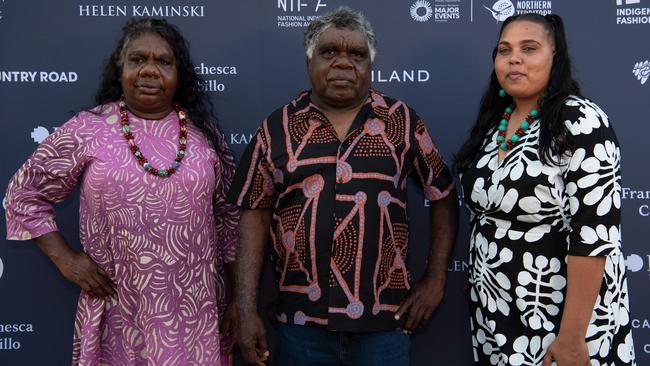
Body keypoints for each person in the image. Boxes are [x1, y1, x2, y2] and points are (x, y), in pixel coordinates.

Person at [227, 6, 458, 366]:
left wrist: (436, 279)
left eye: (357, 54)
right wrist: (246, 309)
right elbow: (254, 216)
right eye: (329, 51)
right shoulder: (277, 129)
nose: (343, 63)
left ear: (370, 64)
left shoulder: (401, 121)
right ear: (309, 61)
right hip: (300, 325)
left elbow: (443, 194)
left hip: (384, 325)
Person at [5, 18, 239, 365]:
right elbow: (24, 194)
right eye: (137, 59)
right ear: (120, 69)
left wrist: (236, 298)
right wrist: (67, 260)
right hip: (118, 309)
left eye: (163, 61)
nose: (149, 70)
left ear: (179, 74)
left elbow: (229, 218)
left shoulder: (204, 137)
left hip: (195, 313)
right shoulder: (91, 128)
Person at [454, 13, 635, 366]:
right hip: (496, 317)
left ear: (556, 57)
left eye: (530, 48)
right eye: (504, 50)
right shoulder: (494, 123)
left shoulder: (580, 121)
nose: (514, 58)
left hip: (563, 322)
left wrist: (571, 338)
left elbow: (594, 235)